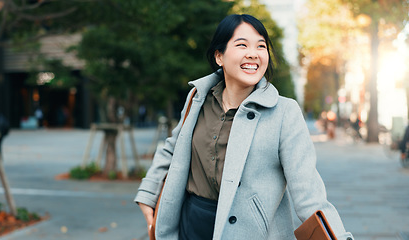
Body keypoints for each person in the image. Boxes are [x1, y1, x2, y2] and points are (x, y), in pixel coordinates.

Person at [134, 14, 354, 239]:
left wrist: (338, 236)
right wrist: (148, 192)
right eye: (242, 45)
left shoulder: (285, 112)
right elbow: (173, 147)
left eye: (261, 46)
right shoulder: (197, 98)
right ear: (219, 56)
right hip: (190, 224)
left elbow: (308, 191)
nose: (253, 53)